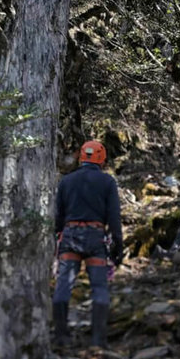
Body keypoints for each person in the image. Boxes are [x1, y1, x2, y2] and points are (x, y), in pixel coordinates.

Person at [52, 140, 123, 348]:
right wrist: (118, 246)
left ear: (82, 157)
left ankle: (61, 337)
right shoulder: (107, 182)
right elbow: (114, 217)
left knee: (63, 286)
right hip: (95, 237)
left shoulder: (66, 181)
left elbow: (59, 216)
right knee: (99, 288)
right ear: (102, 158)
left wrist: (58, 234)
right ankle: (98, 341)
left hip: (71, 236)